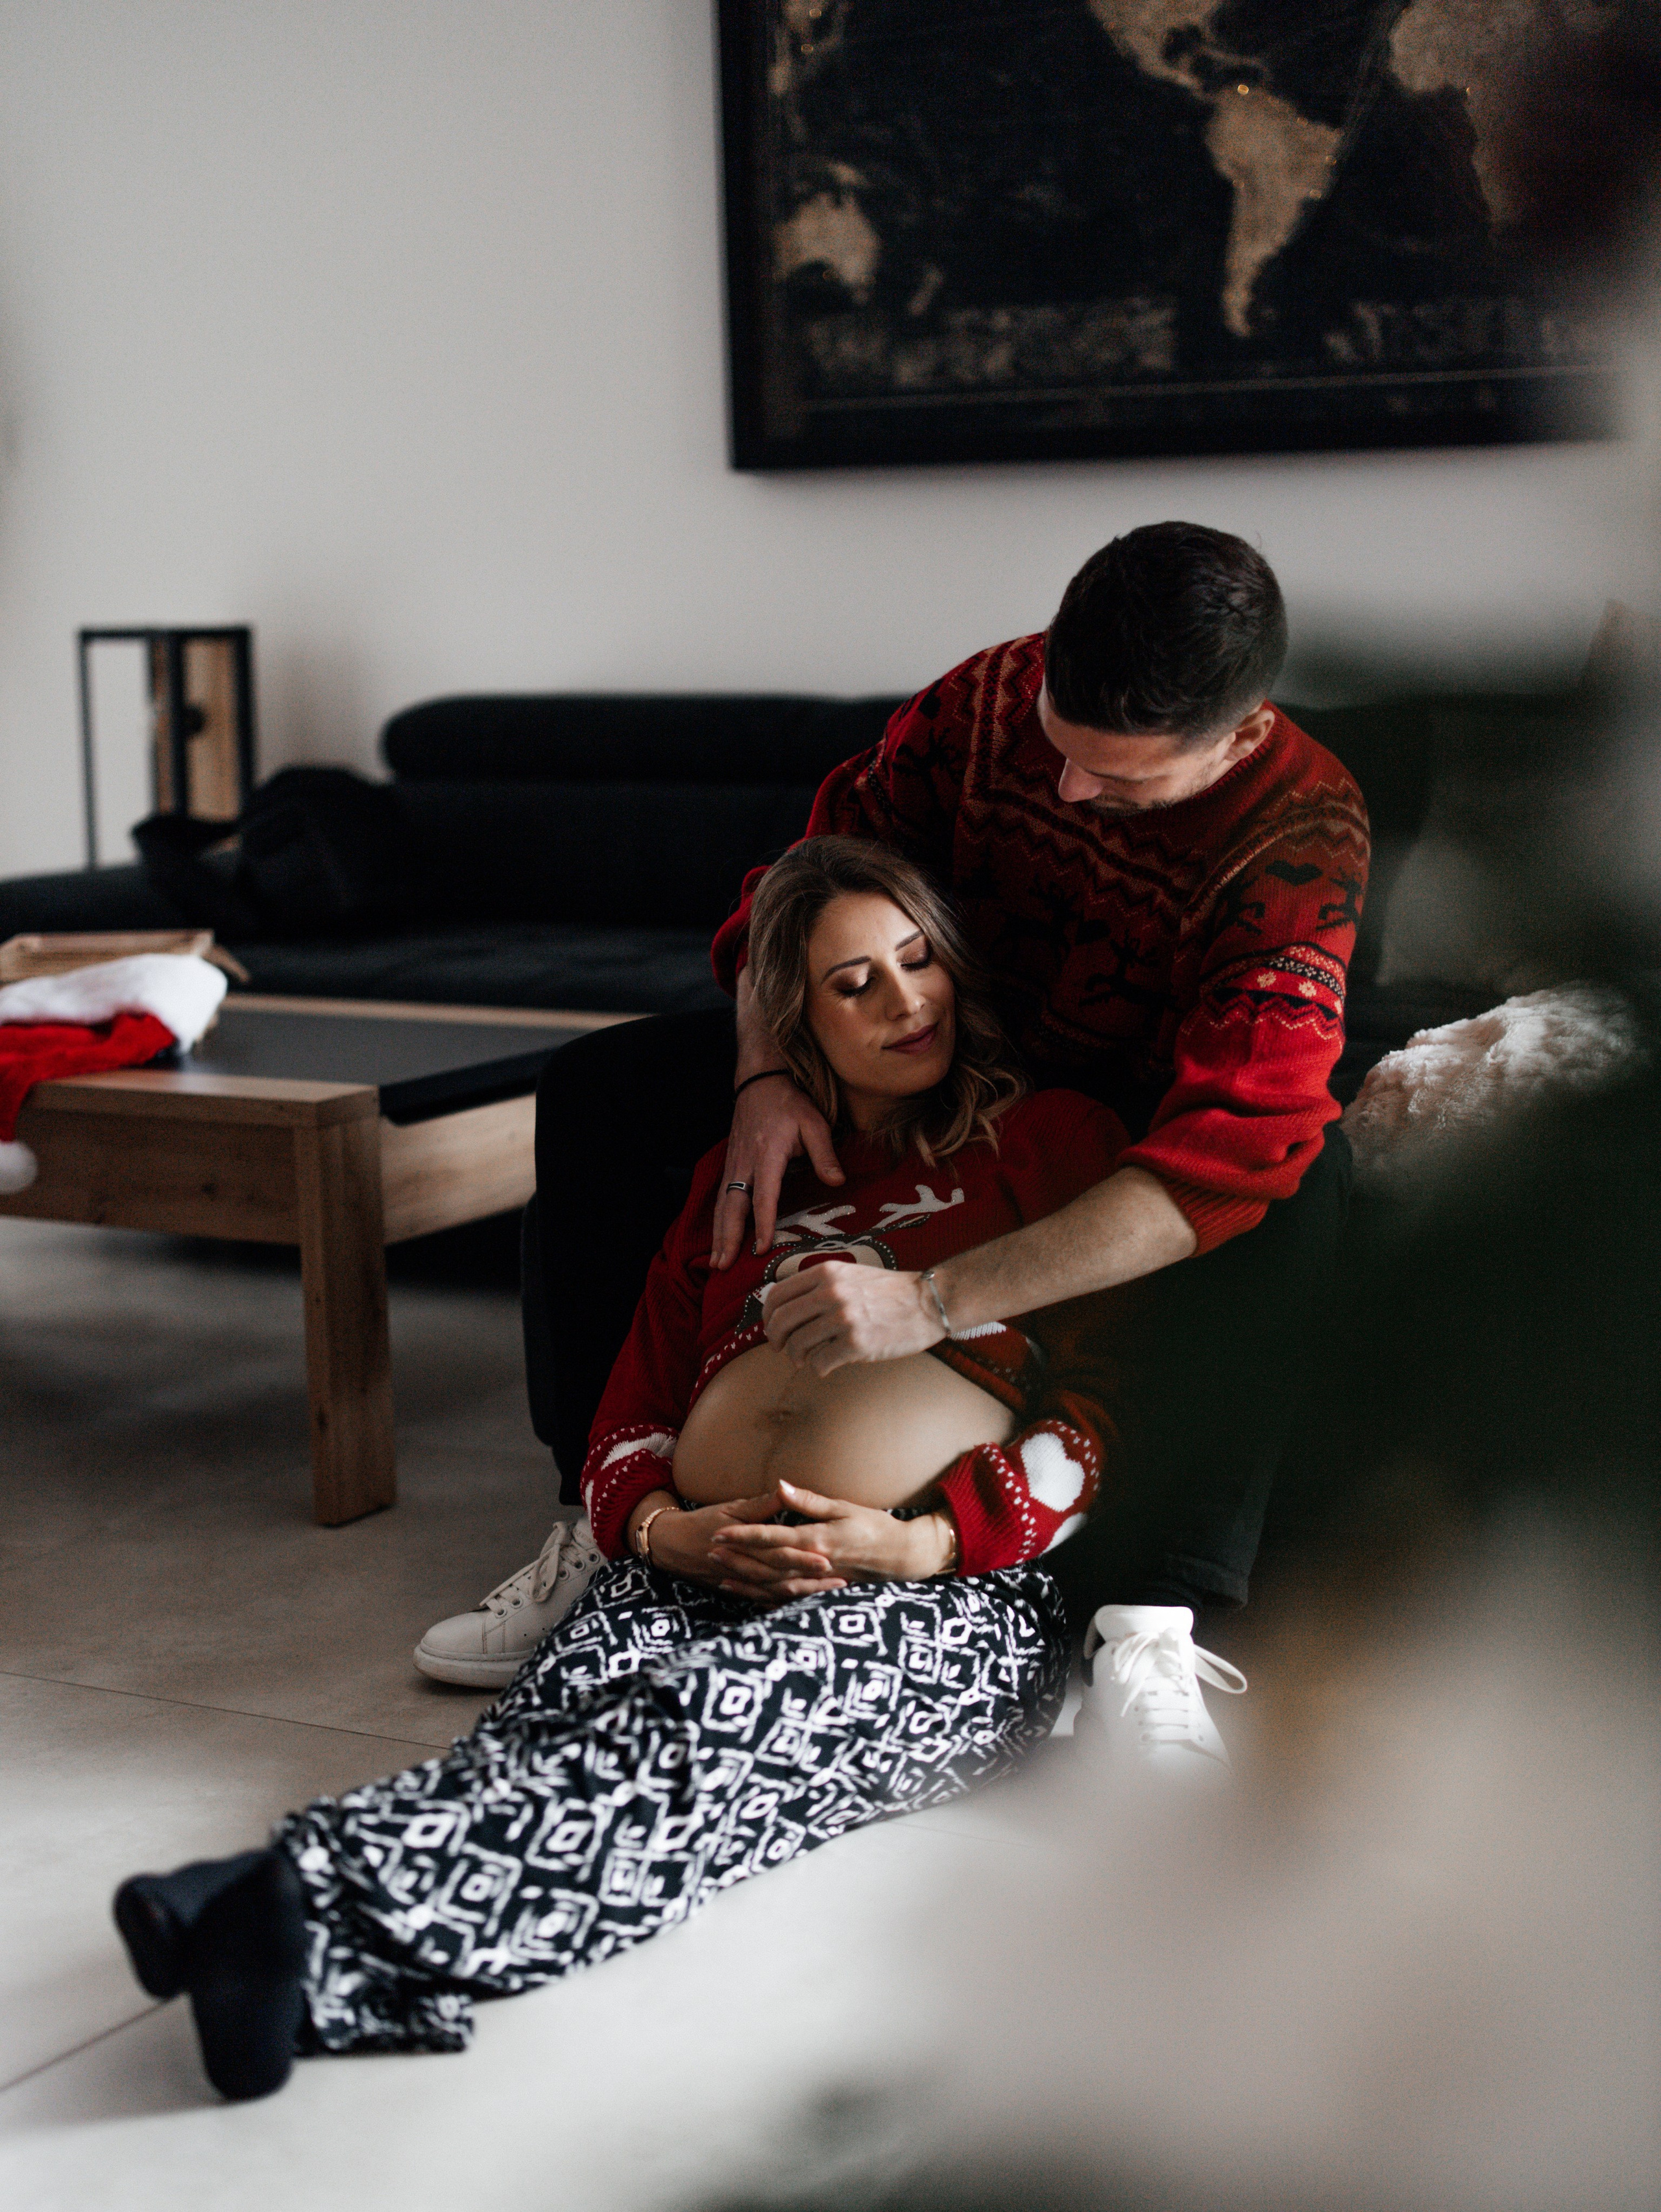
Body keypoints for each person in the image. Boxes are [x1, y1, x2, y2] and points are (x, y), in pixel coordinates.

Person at [117, 841, 1245, 2104]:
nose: (903, 1000)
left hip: (940, 1595)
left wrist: (923, 1544)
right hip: (691, 1562)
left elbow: (1113, 1411)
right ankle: (298, 1974)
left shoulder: (1048, 1141)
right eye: (853, 982)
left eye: (917, 961)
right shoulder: (741, 1175)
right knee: (551, 1743)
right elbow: (630, 1416)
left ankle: (293, 1888)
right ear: (797, 1020)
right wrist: (662, 1533)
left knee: (687, 1745)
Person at [422, 521, 1364, 1757]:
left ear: (1238, 736)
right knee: (599, 1088)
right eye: (1060, 748)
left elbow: (1231, 1149)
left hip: (1124, 1098)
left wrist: (931, 1299)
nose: (1072, 789)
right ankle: (605, 1518)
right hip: (924, 1032)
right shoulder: (981, 705)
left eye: (1120, 780)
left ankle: (1150, 1614)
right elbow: (804, 883)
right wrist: (766, 1073)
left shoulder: (1302, 837)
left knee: (1305, 1181)